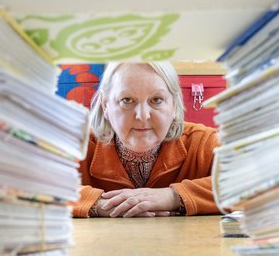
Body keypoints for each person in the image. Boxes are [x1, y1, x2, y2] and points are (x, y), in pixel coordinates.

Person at [72, 62, 220, 218]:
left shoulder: (202, 142)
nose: (142, 116)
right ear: (105, 105)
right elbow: (43, 187)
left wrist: (175, 197)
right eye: (127, 100)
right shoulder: (77, 145)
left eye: (156, 100)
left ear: (174, 105)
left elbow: (247, 180)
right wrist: (98, 204)